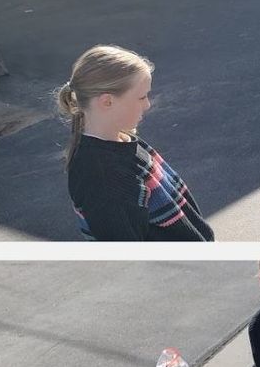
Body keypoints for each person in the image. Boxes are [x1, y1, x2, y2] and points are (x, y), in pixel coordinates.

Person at [56, 45, 213, 241]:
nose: (147, 105)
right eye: (141, 97)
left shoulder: (121, 140)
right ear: (107, 102)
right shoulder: (103, 175)